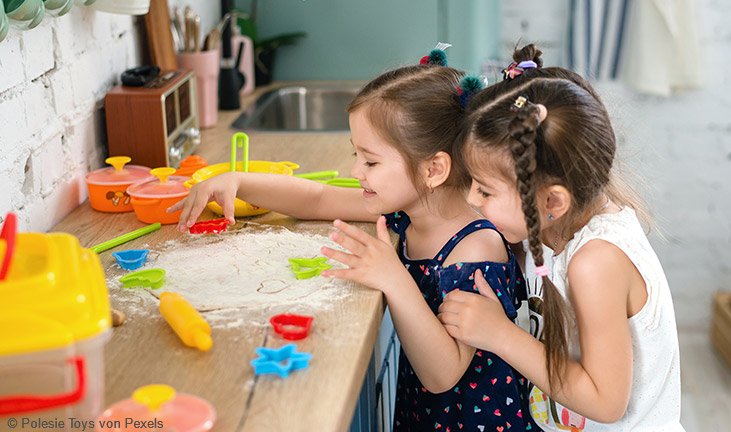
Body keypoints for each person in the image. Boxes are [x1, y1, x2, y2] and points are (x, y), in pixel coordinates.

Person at [169, 48, 539, 432]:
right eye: (356, 155)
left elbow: (443, 374)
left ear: (434, 169)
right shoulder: (408, 212)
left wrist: (393, 277)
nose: (354, 170)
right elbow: (318, 198)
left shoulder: (475, 248)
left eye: (370, 161)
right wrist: (239, 181)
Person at [438, 44, 683, 431]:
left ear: (553, 200)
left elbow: (606, 402)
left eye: (484, 190)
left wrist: (499, 335)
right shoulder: (560, 224)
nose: (471, 199)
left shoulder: (595, 262)